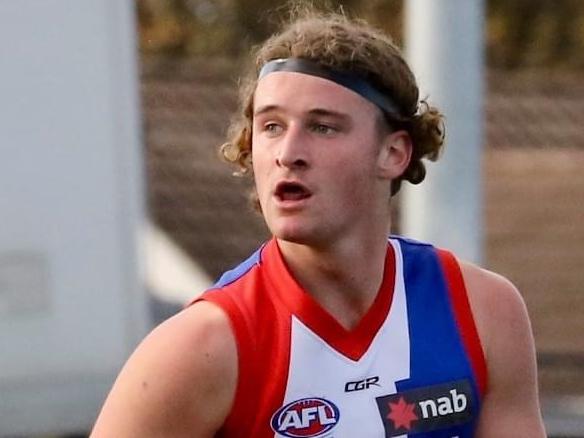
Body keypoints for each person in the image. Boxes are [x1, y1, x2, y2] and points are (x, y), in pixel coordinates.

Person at [91, 7, 546, 438]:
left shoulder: (483, 310)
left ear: (394, 152)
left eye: (323, 126)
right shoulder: (201, 348)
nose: (288, 153)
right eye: (270, 127)